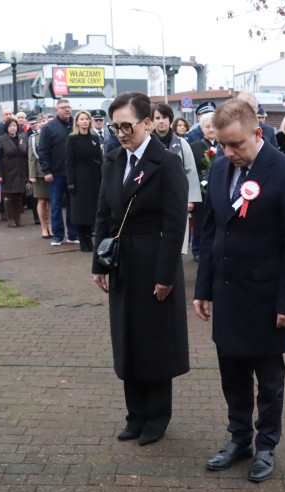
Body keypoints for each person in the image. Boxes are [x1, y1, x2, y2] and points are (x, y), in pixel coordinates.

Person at [193, 99, 285, 483]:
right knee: (232, 375)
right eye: (222, 145)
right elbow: (211, 231)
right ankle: (239, 438)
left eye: (236, 145)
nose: (229, 152)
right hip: (228, 295)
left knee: (269, 382)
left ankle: (266, 446)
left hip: (267, 299)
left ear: (257, 134)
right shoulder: (219, 167)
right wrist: (203, 288)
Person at [91, 91, 190, 447]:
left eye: (126, 126)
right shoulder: (113, 160)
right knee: (127, 337)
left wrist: (165, 275)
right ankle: (135, 415)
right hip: (122, 261)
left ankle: (157, 416)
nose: (120, 133)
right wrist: (98, 264)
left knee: (154, 340)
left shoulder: (167, 163)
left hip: (153, 260)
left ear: (147, 123)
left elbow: (175, 225)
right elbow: (103, 215)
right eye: (114, 127)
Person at [152, 102, 201, 255]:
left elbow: (190, 171)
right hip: (152, 197)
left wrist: (190, 199)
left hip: (176, 198)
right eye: (157, 118)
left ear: (170, 119)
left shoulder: (181, 143)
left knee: (175, 241)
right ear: (151, 120)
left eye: (164, 117)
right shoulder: (146, 143)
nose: (161, 121)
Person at [38, 99, 77, 245]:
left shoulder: (76, 125)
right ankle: (58, 235)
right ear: (56, 110)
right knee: (55, 205)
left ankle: (73, 234)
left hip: (73, 173)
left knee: (73, 205)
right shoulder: (49, 127)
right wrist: (46, 171)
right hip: (56, 173)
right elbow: (43, 150)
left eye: (69, 107)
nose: (67, 110)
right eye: (63, 107)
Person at [66, 110, 103, 251]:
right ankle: (83, 240)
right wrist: (70, 181)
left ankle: (89, 238)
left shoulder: (94, 138)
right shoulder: (72, 139)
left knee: (92, 210)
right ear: (77, 122)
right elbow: (69, 162)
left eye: (87, 119)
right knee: (81, 211)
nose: (85, 121)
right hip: (79, 178)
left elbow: (99, 158)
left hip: (94, 177)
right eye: (82, 119)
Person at [188, 112, 217, 262]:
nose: (211, 129)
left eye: (214, 126)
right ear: (201, 128)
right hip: (200, 191)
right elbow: (190, 171)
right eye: (207, 126)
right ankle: (198, 250)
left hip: (218, 191)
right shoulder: (194, 147)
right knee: (199, 222)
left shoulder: (224, 145)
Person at [0, 117, 30, 227]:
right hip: (7, 172)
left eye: (14, 126)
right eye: (10, 126)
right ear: (6, 128)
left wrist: (27, 174)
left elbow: (26, 156)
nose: (12, 128)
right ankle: (10, 218)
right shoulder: (1, 139)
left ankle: (18, 218)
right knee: (9, 196)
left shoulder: (22, 139)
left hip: (20, 171)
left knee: (19, 196)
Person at [28, 115, 52, 238]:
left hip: (52, 172)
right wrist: (32, 175)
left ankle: (51, 226)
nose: (42, 123)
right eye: (40, 121)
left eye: (44, 121)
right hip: (39, 173)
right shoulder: (33, 138)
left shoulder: (52, 135)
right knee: (42, 200)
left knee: (52, 201)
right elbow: (31, 158)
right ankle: (43, 227)